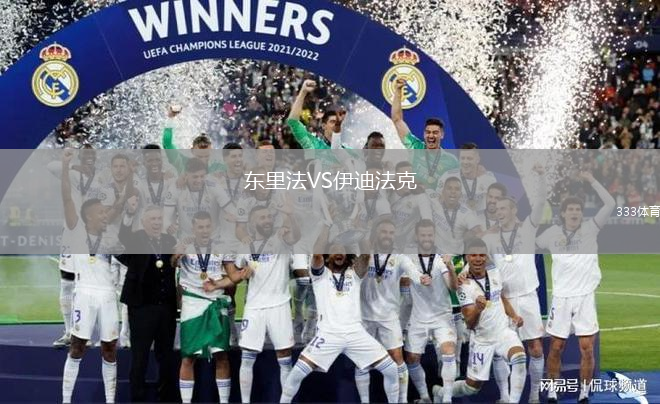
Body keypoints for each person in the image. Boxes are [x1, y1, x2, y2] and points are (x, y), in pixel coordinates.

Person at [536, 172, 615, 404]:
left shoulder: (591, 228)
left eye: (578, 209)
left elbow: (610, 204)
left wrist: (592, 180)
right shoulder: (551, 234)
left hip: (584, 297)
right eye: (570, 209)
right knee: (556, 347)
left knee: (587, 348)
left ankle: (584, 392)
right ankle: (552, 390)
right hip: (561, 298)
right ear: (562, 213)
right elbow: (530, 244)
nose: (574, 212)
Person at [280, 252, 400, 403]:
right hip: (328, 335)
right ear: (327, 255)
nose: (339, 254)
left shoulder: (354, 274)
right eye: (334, 250)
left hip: (356, 334)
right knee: (296, 374)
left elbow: (365, 255)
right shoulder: (320, 275)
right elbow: (317, 255)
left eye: (343, 251)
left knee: (391, 369)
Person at [481, 164, 546, 403]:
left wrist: (540, 177)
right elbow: (483, 265)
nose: (499, 212)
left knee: (535, 348)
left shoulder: (527, 229)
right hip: (504, 301)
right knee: (501, 351)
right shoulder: (489, 237)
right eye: (496, 209)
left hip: (528, 297)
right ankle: (505, 397)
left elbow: (541, 203)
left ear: (513, 209)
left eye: (503, 208)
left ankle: (534, 395)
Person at [226, 205, 301, 403]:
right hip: (254, 307)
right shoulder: (245, 246)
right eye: (262, 217)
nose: (267, 220)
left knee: (284, 357)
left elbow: (295, 236)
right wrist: (243, 274)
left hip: (279, 305)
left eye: (269, 217)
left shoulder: (281, 239)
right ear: (253, 222)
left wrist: (290, 214)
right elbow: (236, 273)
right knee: (247, 357)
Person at [444, 239, 527, 403]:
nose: (478, 259)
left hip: (503, 333)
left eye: (482, 255)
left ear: (486, 256)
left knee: (519, 358)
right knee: (471, 388)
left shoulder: (494, 272)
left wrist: (513, 316)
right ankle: (441, 392)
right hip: (482, 340)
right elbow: (470, 323)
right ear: (467, 257)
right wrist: (478, 308)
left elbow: (501, 297)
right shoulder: (463, 286)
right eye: (473, 255)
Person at [117, 203, 179, 402]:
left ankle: (166, 395)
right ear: (143, 222)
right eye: (152, 219)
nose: (156, 222)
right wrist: (129, 213)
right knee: (140, 355)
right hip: (141, 307)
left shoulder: (170, 240)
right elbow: (123, 236)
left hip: (166, 308)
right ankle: (138, 396)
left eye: (159, 219)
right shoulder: (135, 239)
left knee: (166, 355)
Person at [172, 216, 236, 403]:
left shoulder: (221, 247)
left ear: (212, 228)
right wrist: (176, 255)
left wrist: (221, 283)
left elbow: (232, 277)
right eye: (200, 227)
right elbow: (172, 263)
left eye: (208, 226)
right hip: (192, 304)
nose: (204, 230)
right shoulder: (184, 246)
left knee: (221, 355)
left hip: (215, 302)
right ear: (193, 229)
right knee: (188, 356)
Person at [355, 220, 415, 404]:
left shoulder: (400, 257)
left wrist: (421, 278)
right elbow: (358, 274)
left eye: (391, 232)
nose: (387, 236)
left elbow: (410, 277)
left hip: (389, 317)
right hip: (364, 317)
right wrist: (365, 254)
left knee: (397, 359)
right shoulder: (364, 254)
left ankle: (402, 400)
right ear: (376, 233)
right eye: (384, 232)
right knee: (362, 361)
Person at [404, 220, 458, 403]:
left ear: (434, 236)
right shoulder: (409, 257)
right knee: (412, 358)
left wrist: (450, 267)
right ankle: (425, 397)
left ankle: (447, 399)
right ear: (417, 236)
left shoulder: (442, 258)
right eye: (423, 235)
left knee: (448, 352)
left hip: (442, 316)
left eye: (430, 235)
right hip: (418, 317)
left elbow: (453, 287)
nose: (427, 238)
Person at [61, 254, 119, 404]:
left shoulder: (112, 240)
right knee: (77, 347)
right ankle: (66, 400)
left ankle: (110, 400)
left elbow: (124, 256)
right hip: (83, 292)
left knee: (109, 348)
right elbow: (66, 274)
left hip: (108, 292)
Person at [390, 77, 458, 188]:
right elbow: (397, 120)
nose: (431, 135)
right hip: (412, 196)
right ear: (424, 134)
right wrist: (398, 91)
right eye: (428, 132)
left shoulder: (451, 161)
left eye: (435, 132)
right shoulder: (415, 146)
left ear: (442, 135)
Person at [287, 79, 346, 149]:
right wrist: (303, 92)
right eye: (332, 122)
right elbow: (293, 122)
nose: (336, 125)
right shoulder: (313, 144)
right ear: (323, 126)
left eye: (338, 122)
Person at [429, 176, 480, 254]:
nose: (453, 191)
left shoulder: (466, 213)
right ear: (443, 191)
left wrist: (465, 238)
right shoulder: (435, 202)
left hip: (455, 257)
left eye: (457, 189)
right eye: (449, 188)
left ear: (461, 194)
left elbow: (478, 232)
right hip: (434, 253)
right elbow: (421, 189)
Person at [389, 161, 433, 251]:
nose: (406, 178)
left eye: (409, 175)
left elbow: (427, 220)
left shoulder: (420, 196)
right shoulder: (387, 191)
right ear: (396, 176)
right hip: (388, 237)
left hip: (409, 243)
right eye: (403, 175)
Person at [438, 144, 496, 211]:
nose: (465, 162)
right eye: (462, 158)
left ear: (478, 160)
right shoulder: (447, 176)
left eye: (469, 158)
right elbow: (438, 200)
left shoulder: (489, 179)